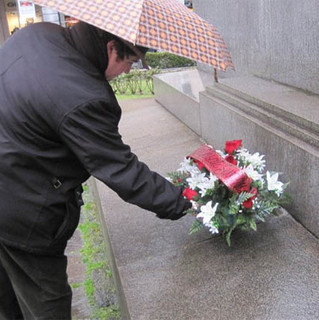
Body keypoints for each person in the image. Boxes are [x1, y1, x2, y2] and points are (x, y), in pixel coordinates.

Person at [0, 21, 191, 319]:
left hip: (9, 180)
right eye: (129, 61)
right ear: (111, 48)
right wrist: (183, 200)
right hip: (23, 214)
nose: (128, 71)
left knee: (8, 302)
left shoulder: (36, 34)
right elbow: (121, 170)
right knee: (46, 304)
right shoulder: (83, 95)